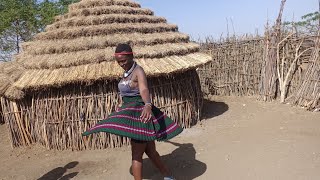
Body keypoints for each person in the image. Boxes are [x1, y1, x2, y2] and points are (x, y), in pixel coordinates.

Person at [82, 43, 183, 180]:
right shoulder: (126, 73)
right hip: (131, 112)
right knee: (150, 151)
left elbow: (144, 89)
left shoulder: (138, 71)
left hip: (140, 116)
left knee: (136, 155)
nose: (121, 64)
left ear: (131, 56)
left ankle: (167, 176)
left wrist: (147, 104)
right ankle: (168, 176)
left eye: (123, 61)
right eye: (119, 62)